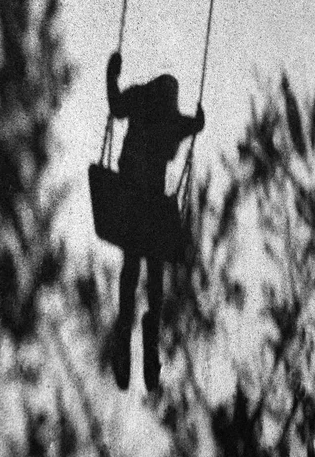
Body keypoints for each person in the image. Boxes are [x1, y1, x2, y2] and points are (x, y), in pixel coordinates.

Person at [107, 51, 205, 391]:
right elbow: (190, 124)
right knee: (149, 276)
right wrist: (196, 122)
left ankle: (134, 339)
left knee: (137, 271)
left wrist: (112, 77)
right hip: (146, 203)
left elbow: (118, 105)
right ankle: (139, 342)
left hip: (140, 201)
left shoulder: (144, 103)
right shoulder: (163, 115)